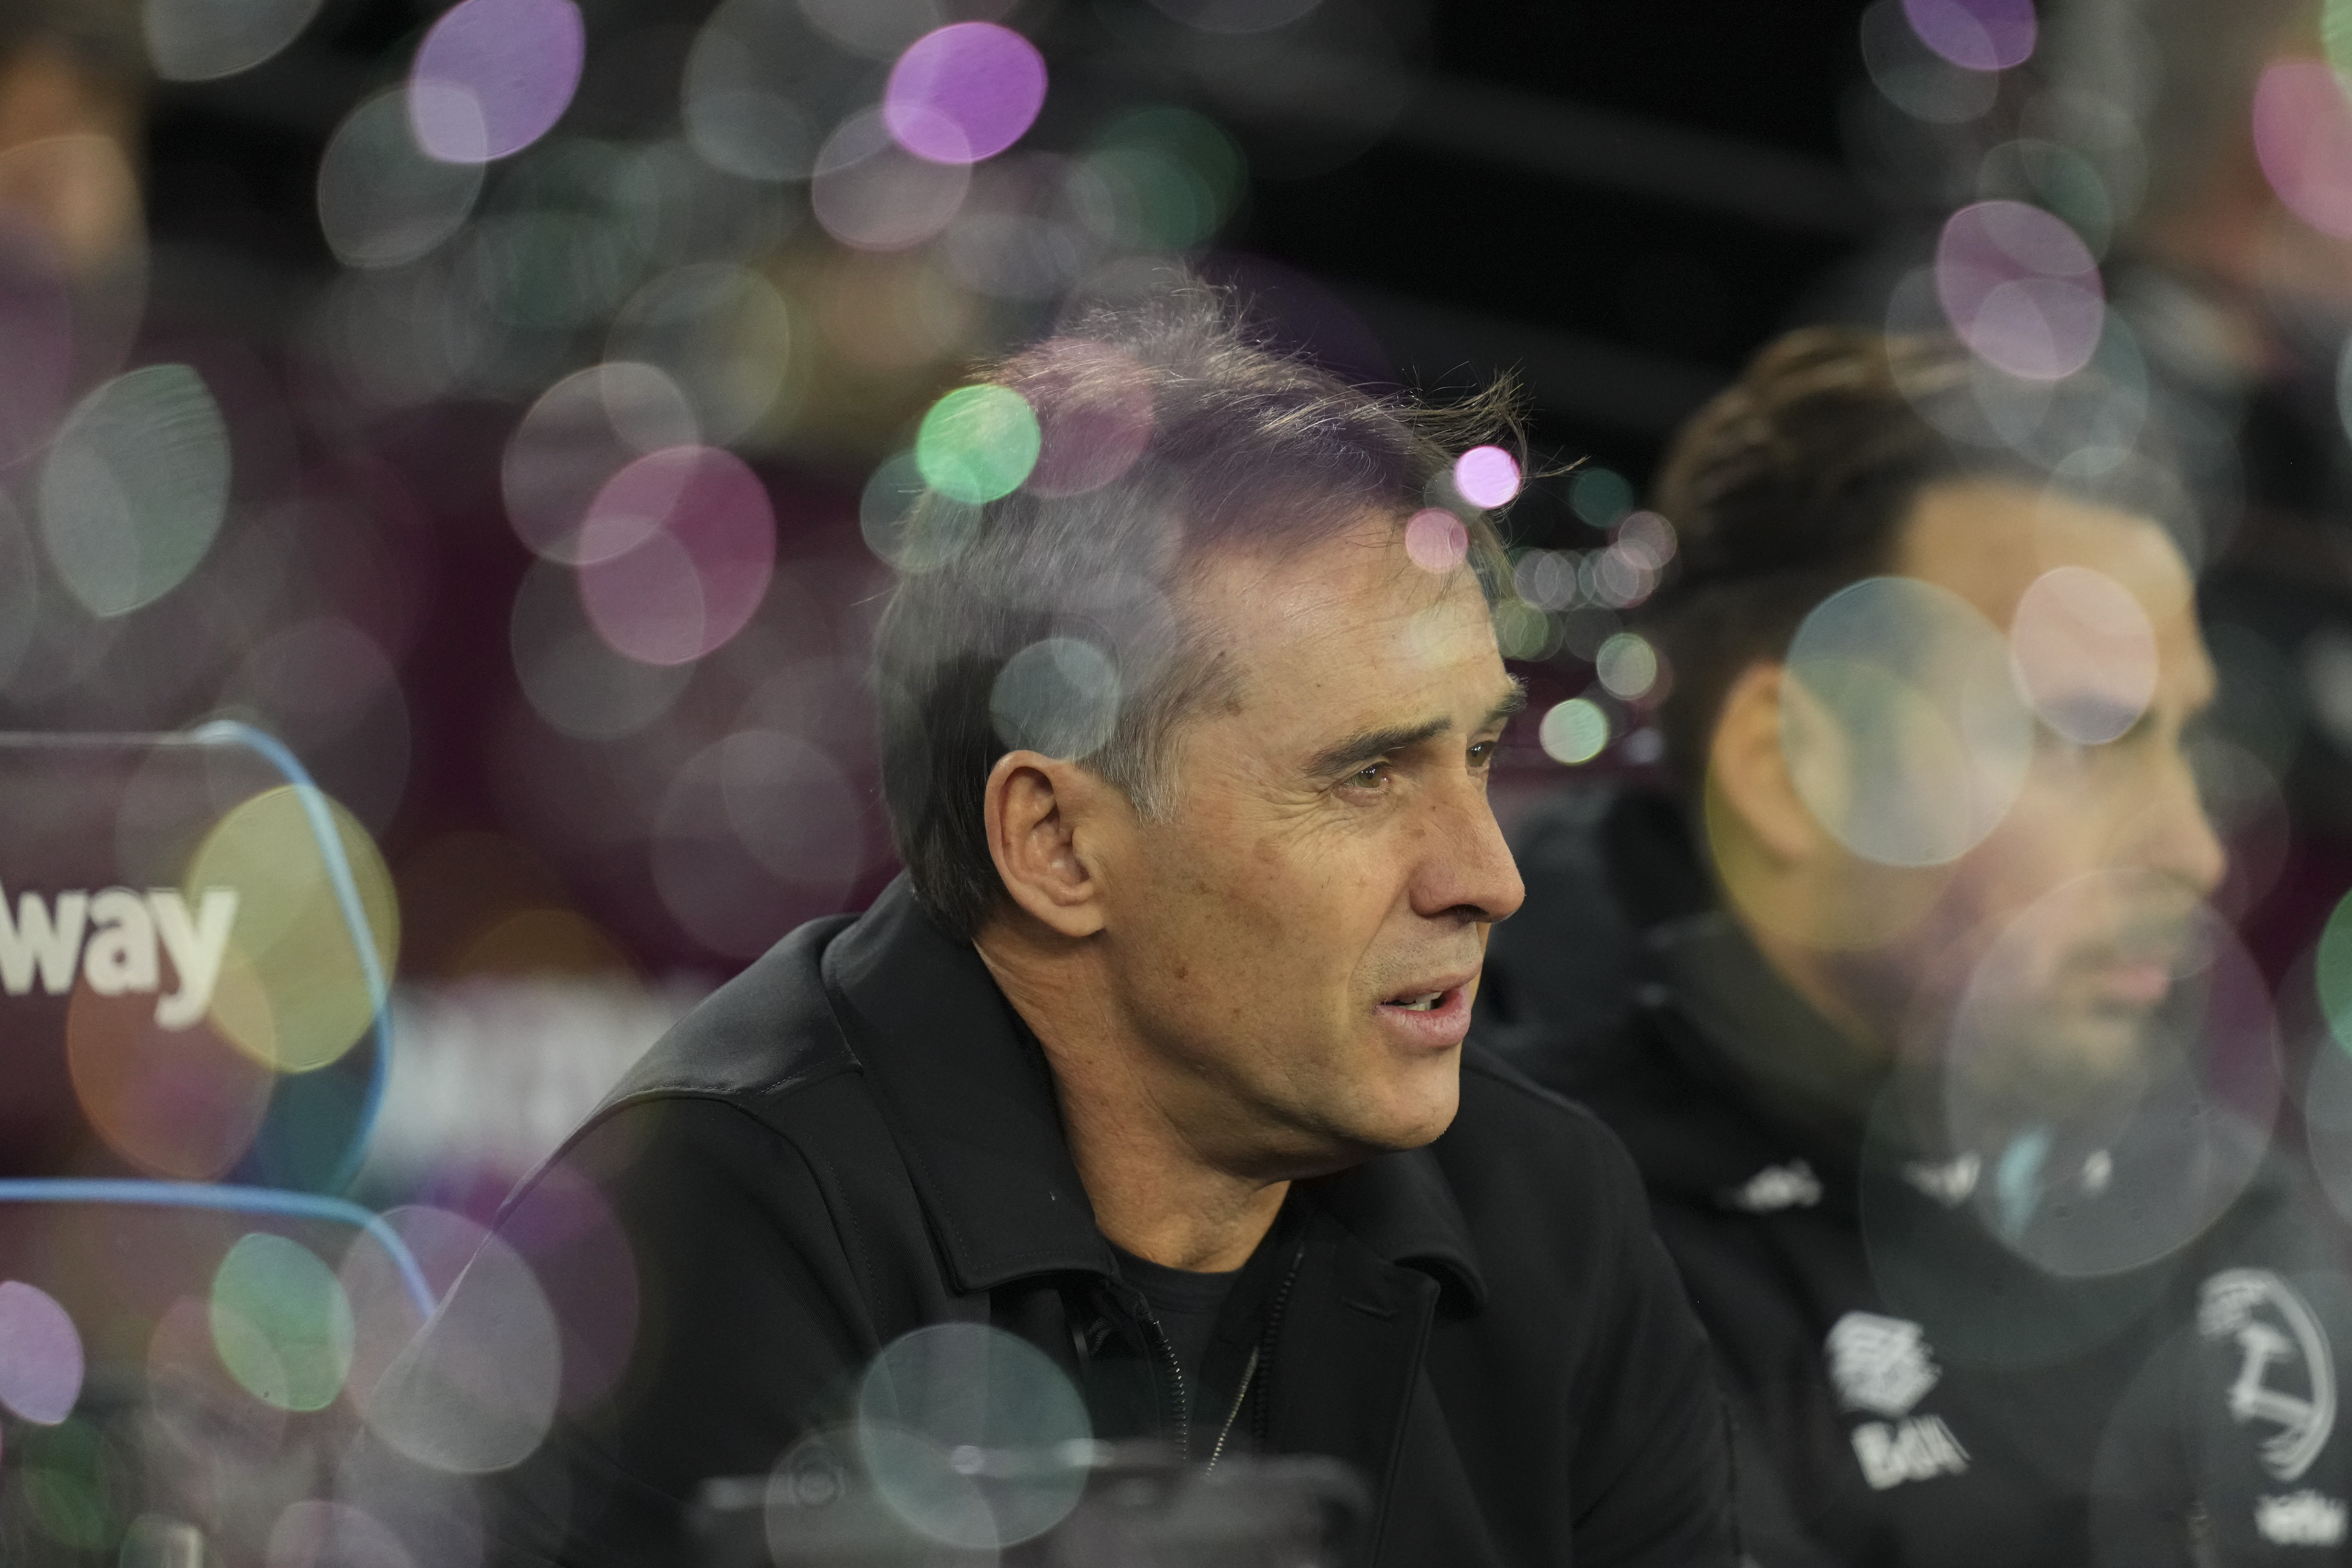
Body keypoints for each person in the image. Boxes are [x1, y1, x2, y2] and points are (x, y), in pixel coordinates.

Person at [404, 287, 1737, 1567]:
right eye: (1367, 775)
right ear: (1055, 843)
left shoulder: (1549, 1211)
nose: (1485, 873)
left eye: (1481, 754)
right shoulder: (713, 1226)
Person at [1480, 327, 2352, 1567]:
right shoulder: (1526, 1243)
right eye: (2089, 741)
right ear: (1791, 771)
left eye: (2184, 744)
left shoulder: (2235, 1219)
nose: (2193, 851)